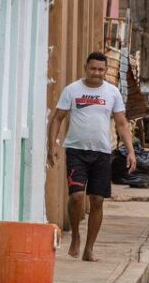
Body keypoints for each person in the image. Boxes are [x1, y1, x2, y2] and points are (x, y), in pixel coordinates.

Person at [48, 52, 136, 262]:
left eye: (100, 70)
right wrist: (51, 144)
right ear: (85, 68)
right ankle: (76, 236)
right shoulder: (72, 90)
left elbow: (122, 123)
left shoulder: (112, 92)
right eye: (93, 69)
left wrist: (131, 150)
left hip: (102, 153)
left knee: (97, 200)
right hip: (76, 151)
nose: (96, 73)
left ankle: (89, 248)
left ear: (105, 71)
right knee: (77, 196)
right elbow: (58, 118)